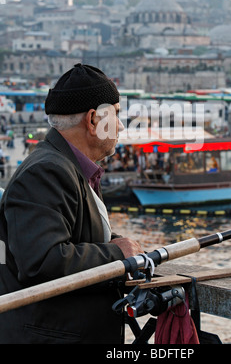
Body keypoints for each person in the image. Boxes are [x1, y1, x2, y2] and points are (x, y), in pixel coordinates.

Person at [0, 63, 143, 344]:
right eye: (116, 114)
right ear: (92, 121)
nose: (121, 125)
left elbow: (75, 237)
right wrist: (117, 254)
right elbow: (42, 261)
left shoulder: (71, 167)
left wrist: (118, 243)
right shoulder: (46, 172)